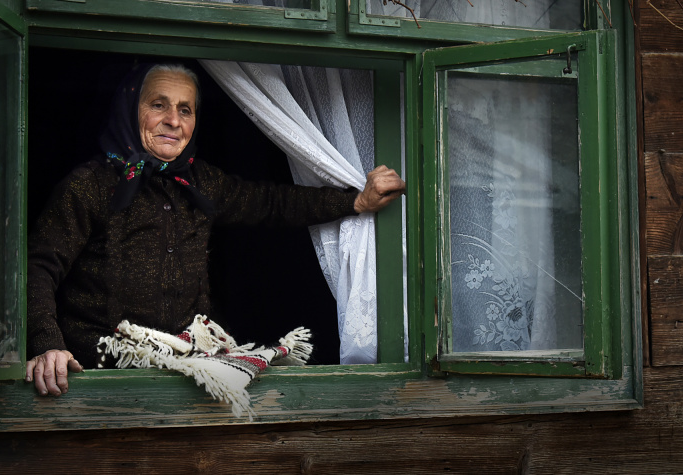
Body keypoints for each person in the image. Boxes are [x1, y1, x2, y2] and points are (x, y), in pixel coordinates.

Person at [25, 63, 405, 396]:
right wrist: (48, 345)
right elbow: (39, 267)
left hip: (187, 372)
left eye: (185, 109)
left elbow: (272, 203)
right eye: (158, 105)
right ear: (130, 107)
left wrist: (356, 201)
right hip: (105, 372)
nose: (174, 121)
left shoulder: (200, 181)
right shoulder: (90, 185)